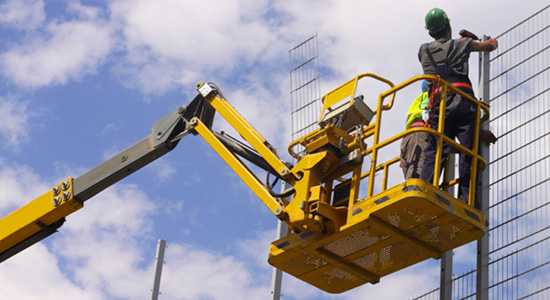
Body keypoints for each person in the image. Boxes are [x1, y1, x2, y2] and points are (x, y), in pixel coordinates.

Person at [418, 8, 498, 206]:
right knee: (468, 150)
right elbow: (488, 46)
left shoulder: (423, 50)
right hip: (464, 100)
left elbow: (440, 55)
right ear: (448, 27)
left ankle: (424, 190)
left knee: (436, 149)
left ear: (430, 32)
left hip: (439, 103)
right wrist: (486, 41)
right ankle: (468, 199)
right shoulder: (461, 44)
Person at [400, 81, 430, 180]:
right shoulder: (430, 96)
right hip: (420, 133)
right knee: (417, 171)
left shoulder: (419, 100)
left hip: (409, 136)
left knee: (410, 169)